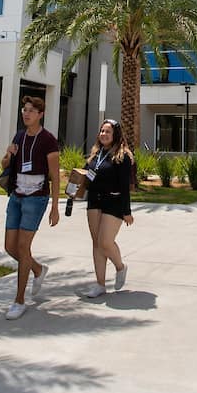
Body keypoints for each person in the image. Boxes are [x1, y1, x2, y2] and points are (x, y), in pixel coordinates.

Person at [0, 95, 60, 319]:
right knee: (9, 247)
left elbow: (54, 175)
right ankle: (37, 269)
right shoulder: (19, 136)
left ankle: (19, 300)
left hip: (36, 198)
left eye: (31, 111)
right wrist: (8, 154)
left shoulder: (48, 140)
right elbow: (5, 164)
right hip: (16, 195)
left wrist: (55, 206)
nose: (26, 114)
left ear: (40, 115)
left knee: (23, 247)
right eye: (24, 110)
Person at [79, 118, 134, 298]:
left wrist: (127, 211)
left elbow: (125, 186)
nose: (103, 134)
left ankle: (120, 267)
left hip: (114, 202)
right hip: (94, 201)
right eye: (102, 131)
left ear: (116, 134)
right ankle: (100, 284)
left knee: (105, 242)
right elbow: (85, 176)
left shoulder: (123, 156)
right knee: (96, 243)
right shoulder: (95, 155)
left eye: (108, 131)